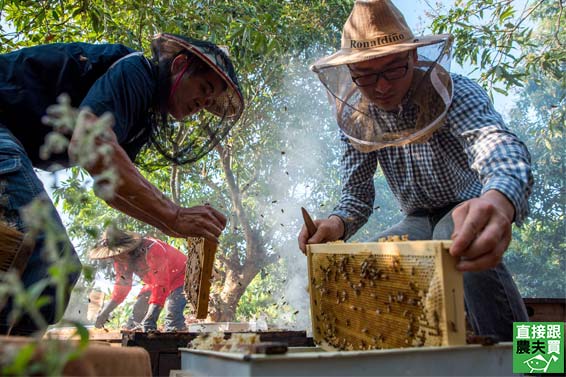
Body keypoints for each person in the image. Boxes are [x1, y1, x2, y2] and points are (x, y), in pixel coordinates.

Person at [298, 0, 533, 341]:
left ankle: (538, 363)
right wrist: (334, 224)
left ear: (414, 58)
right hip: (416, 218)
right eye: (365, 75)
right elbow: (356, 196)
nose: (380, 87)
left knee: (453, 240)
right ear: (349, 75)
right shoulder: (357, 119)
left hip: (466, 208)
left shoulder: (454, 92)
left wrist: (497, 200)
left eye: (393, 70)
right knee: (373, 260)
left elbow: (498, 145)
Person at [0, 33, 244, 335]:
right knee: (51, 266)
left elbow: (109, 186)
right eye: (204, 88)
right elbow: (90, 144)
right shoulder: (135, 72)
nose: (203, 103)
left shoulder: (139, 118)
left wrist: (171, 223)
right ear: (180, 65)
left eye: (210, 102)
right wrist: (175, 215)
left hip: (10, 138)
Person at [89, 226, 188, 332]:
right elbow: (122, 287)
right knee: (136, 315)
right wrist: (105, 312)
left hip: (181, 278)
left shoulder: (153, 249)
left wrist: (150, 319)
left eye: (119, 254)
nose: (116, 257)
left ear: (128, 249)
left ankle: (175, 345)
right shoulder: (120, 260)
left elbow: (161, 285)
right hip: (154, 283)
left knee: (172, 320)